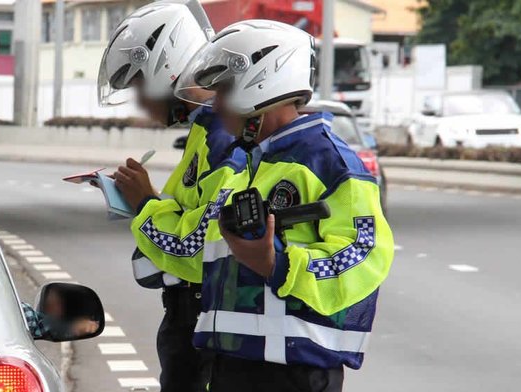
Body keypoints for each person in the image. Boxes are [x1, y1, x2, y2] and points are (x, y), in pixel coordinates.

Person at [136, 20, 393, 391]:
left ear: (260, 83)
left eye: (223, 90)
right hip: (233, 365)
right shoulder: (250, 169)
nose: (217, 104)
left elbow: (365, 252)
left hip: (292, 373)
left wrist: (278, 265)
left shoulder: (328, 161)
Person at [98, 2, 245, 391]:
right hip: (194, 324)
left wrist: (145, 203)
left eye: (140, 87)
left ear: (168, 71)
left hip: (206, 328)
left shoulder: (223, 138)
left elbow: (198, 246)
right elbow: (193, 212)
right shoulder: (204, 132)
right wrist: (147, 198)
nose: (141, 104)